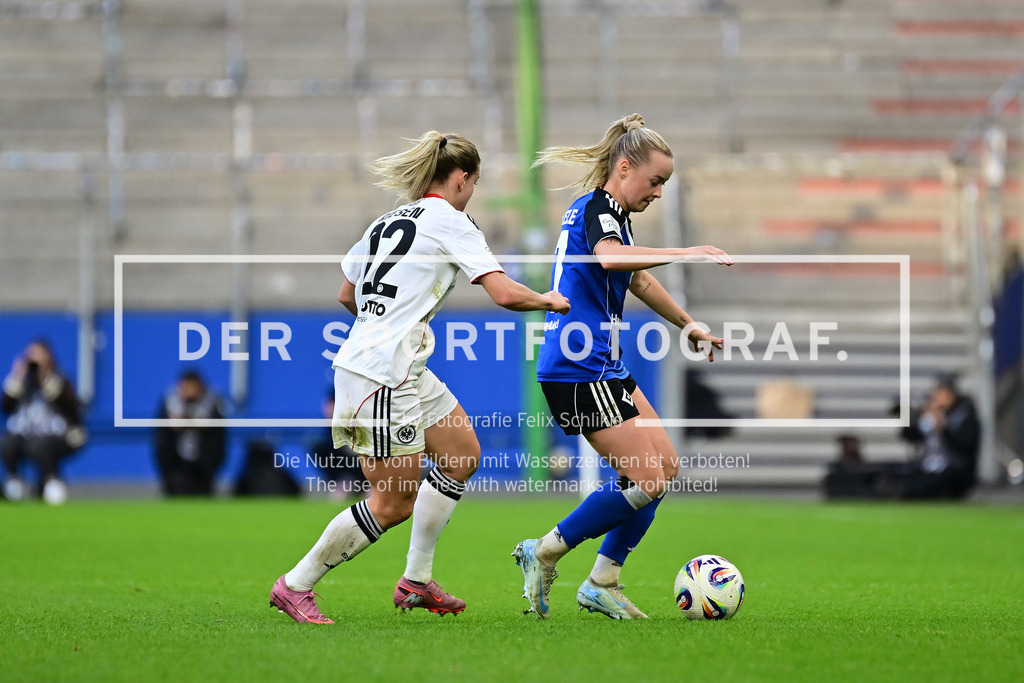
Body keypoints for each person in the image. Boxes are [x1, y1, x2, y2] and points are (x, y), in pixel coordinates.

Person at [269, 131, 571, 624]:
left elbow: (347, 294)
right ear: (463, 177)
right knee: (392, 504)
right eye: (474, 182)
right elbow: (504, 294)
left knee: (460, 456)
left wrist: (383, 326)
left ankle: (416, 579)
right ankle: (296, 584)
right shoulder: (451, 221)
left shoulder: (386, 220)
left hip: (397, 366)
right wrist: (548, 300)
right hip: (382, 376)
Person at [512, 113, 732, 619]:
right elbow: (613, 260)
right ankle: (545, 549)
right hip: (576, 366)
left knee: (664, 468)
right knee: (647, 479)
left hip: (604, 365)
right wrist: (688, 252)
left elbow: (633, 279)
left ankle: (602, 580)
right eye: (656, 181)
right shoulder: (596, 209)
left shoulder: (611, 214)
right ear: (626, 166)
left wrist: (687, 323)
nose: (658, 192)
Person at [1, 340, 86, 504]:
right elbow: (5, 406)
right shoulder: (22, 384)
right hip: (24, 433)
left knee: (40, 446)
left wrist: (45, 377)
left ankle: (51, 480)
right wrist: (18, 377)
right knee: (7, 443)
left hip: (56, 435)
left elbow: (71, 407)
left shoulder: (60, 381)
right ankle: (14, 480)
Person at [896, 373, 980, 499]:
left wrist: (943, 428)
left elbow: (965, 447)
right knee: (901, 482)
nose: (935, 397)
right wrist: (912, 419)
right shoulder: (930, 415)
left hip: (954, 472)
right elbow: (910, 436)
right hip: (928, 469)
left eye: (939, 392)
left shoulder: (964, 417)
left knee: (919, 489)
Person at [153, 369, 227, 496]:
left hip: (203, 457)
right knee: (164, 446)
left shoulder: (212, 402)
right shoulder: (171, 401)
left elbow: (217, 434)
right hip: (176, 457)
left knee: (212, 448)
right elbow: (163, 433)